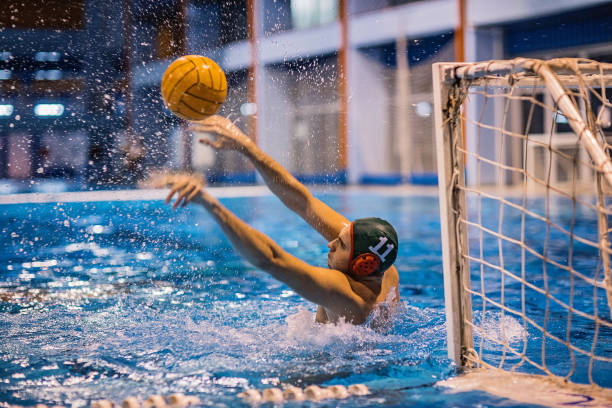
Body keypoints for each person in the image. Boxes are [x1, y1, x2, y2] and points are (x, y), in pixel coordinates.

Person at [159, 115, 400, 325]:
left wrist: (211, 205)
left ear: (363, 264)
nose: (331, 242)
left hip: (332, 373)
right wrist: (246, 146)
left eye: (342, 244)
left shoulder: (346, 296)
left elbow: (271, 259)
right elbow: (303, 202)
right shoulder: (386, 270)